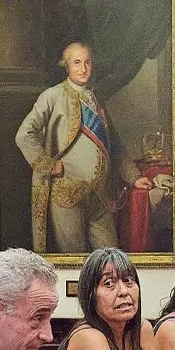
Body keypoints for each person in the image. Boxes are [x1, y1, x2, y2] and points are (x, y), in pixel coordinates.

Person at [15, 41, 150, 253]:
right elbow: (24, 134)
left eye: (87, 62)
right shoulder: (53, 96)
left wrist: (134, 177)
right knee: (74, 259)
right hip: (67, 195)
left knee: (111, 258)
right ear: (66, 66)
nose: (83, 68)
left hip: (100, 196)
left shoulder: (96, 98)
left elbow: (114, 145)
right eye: (77, 63)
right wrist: (49, 165)